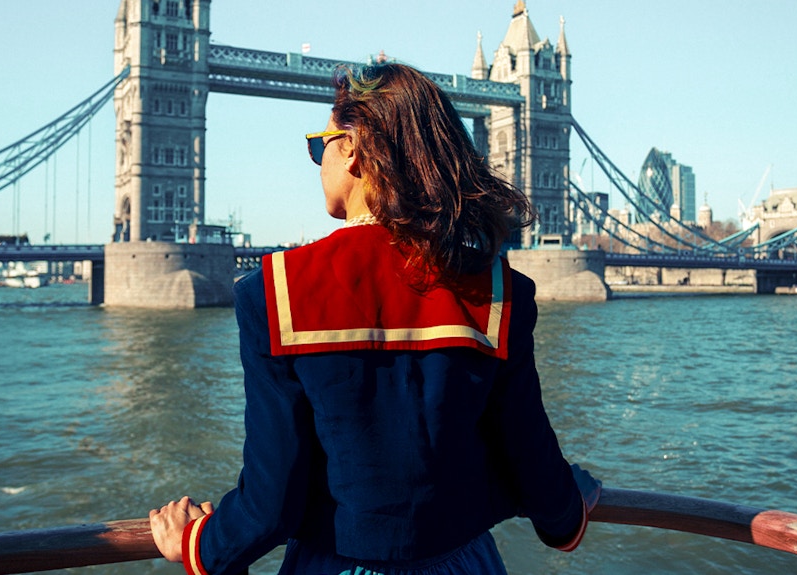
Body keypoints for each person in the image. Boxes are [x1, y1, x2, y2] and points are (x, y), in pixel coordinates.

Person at [149, 62, 601, 575]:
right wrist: (570, 510)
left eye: (321, 145)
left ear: (355, 150)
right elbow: (532, 462)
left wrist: (197, 543)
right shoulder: (500, 291)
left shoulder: (274, 292)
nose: (318, 161)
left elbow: (271, 505)